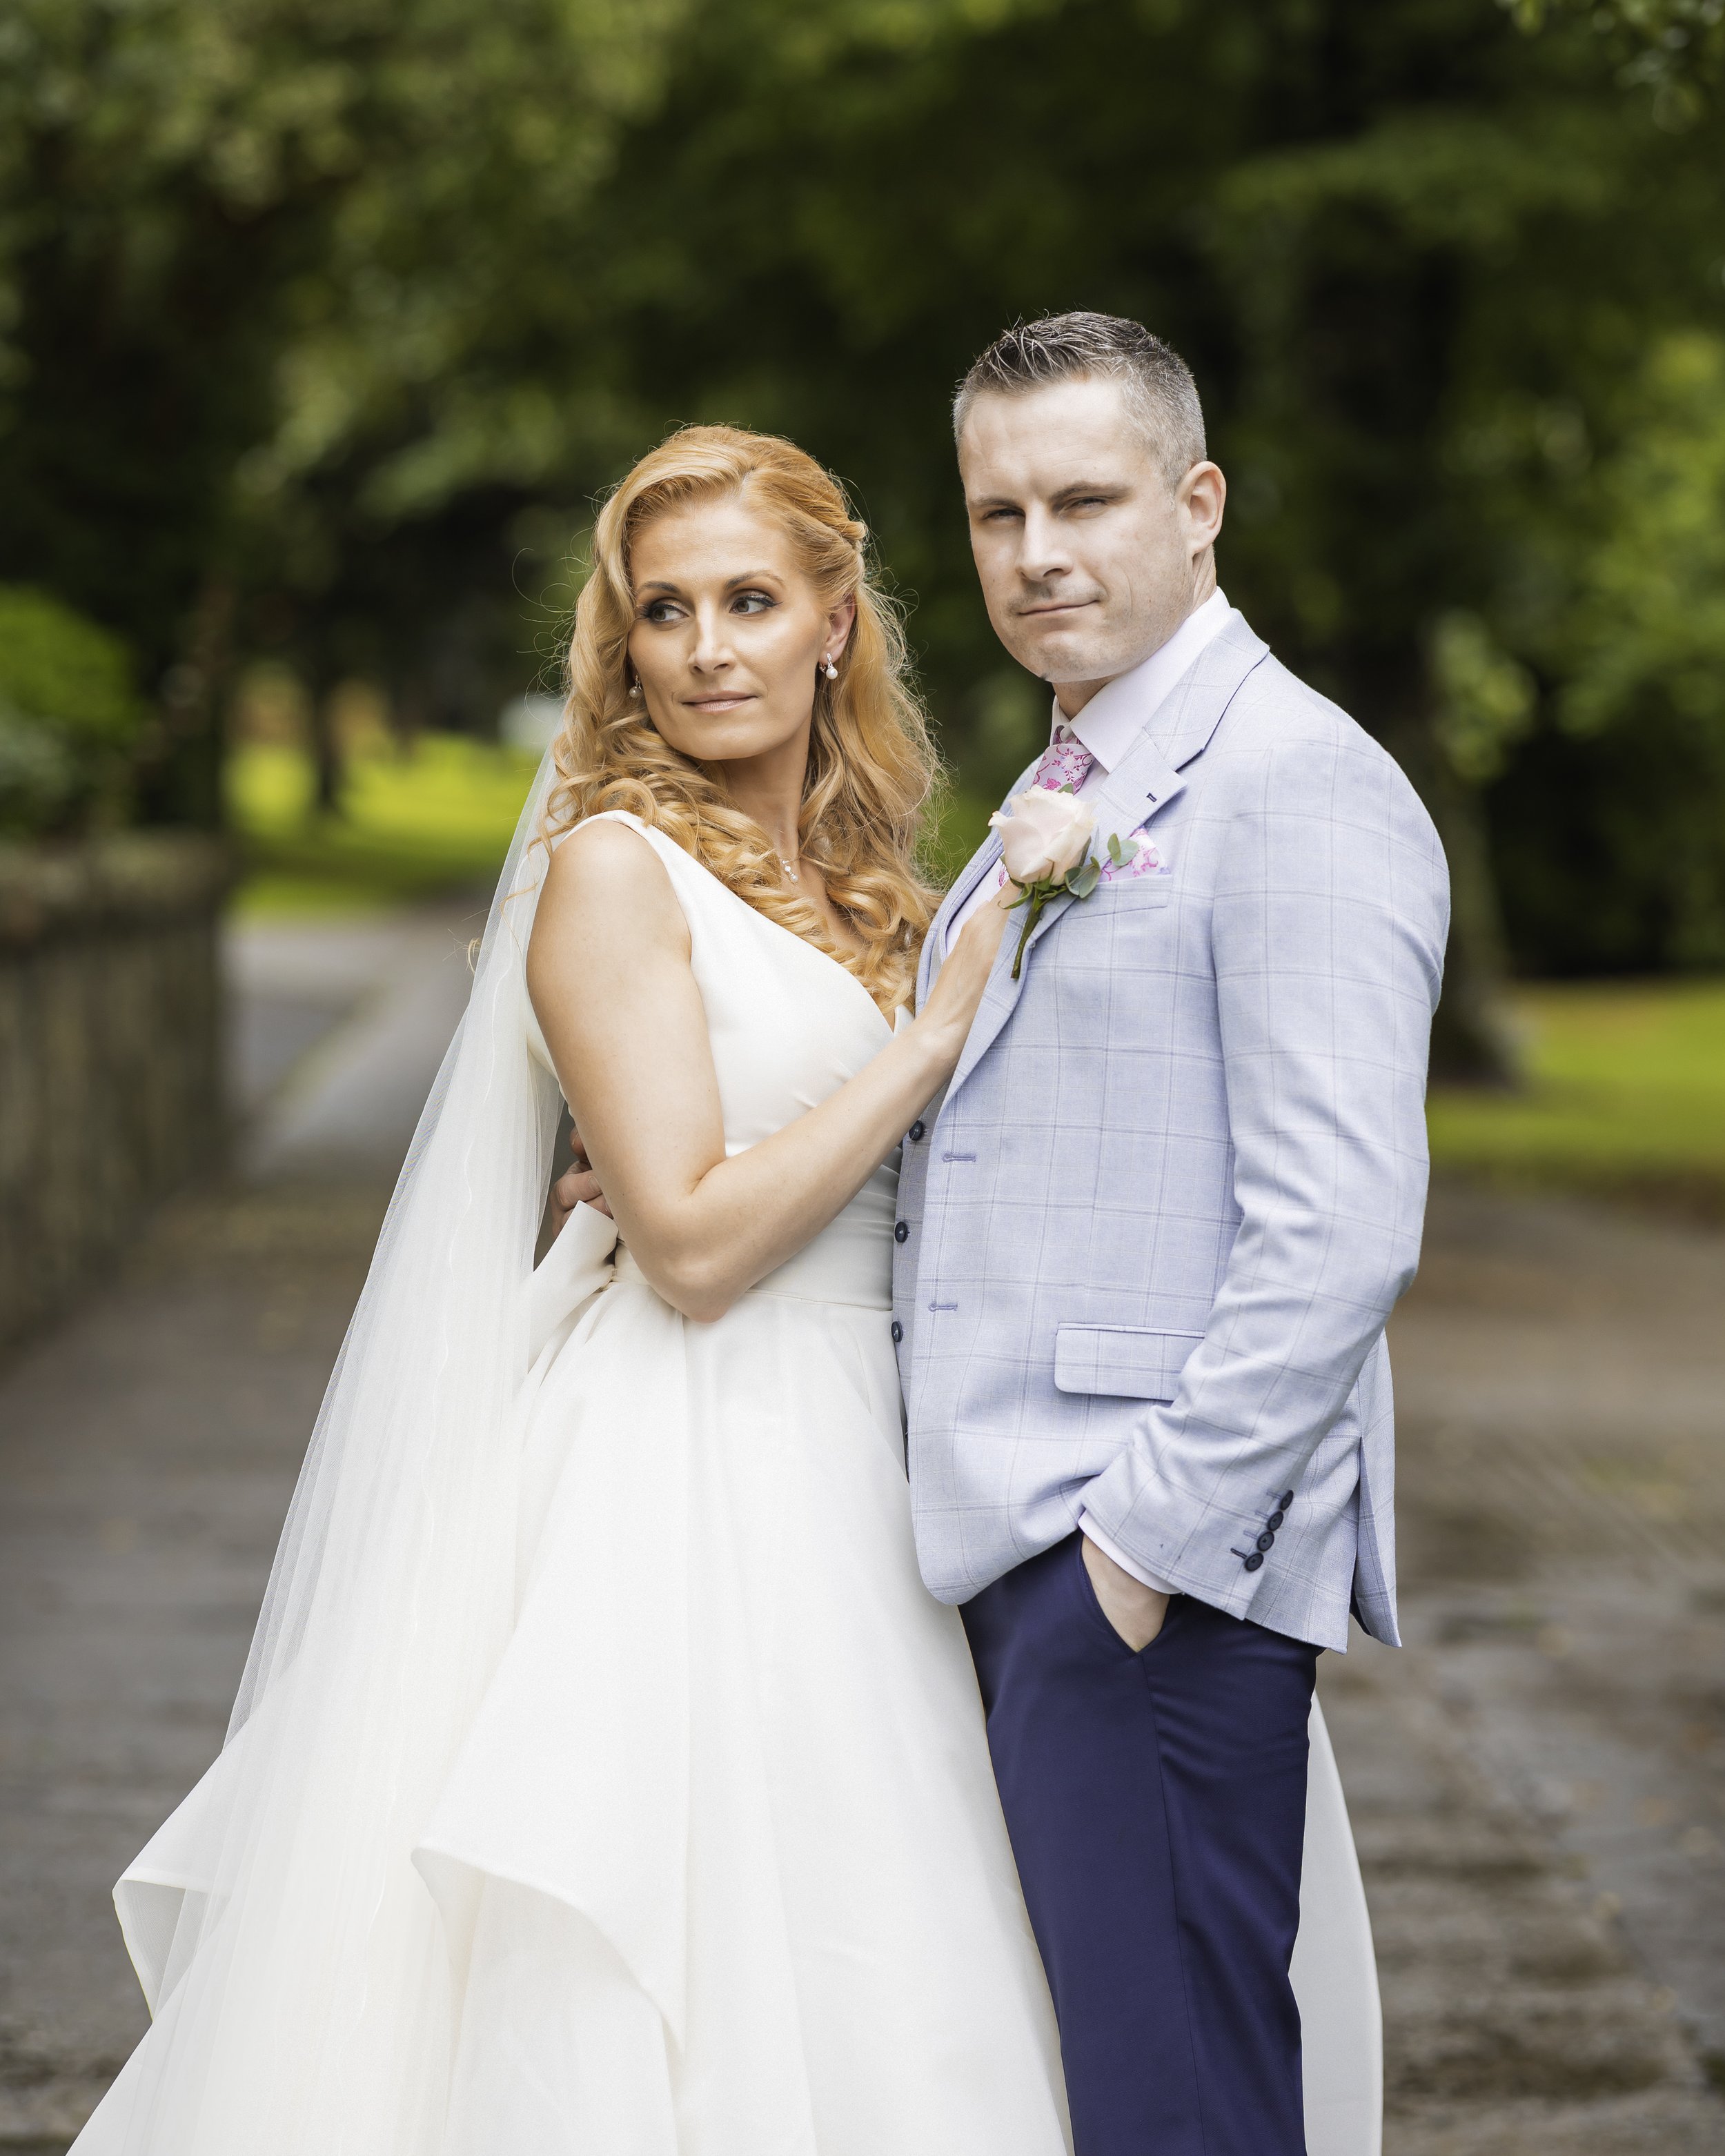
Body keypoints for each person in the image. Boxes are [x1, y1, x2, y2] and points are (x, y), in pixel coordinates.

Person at [70, 426, 1071, 2155]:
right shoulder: (614, 869)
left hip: (877, 1449)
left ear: (837, 618)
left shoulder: (883, 882)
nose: (705, 648)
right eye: (662, 613)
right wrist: (925, 1047)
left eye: (751, 600)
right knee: (690, 1948)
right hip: (700, 1460)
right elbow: (685, 1247)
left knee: (883, 1928)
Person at [892, 313, 1450, 2156]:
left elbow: (1339, 1229)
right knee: (1115, 2094)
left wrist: (1133, 1550)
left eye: (1082, 498)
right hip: (1028, 1543)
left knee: (1176, 2109)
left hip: (1138, 1569)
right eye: (995, 513)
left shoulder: (1294, 782)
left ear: (1194, 503)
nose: (1035, 551)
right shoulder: (1073, 776)